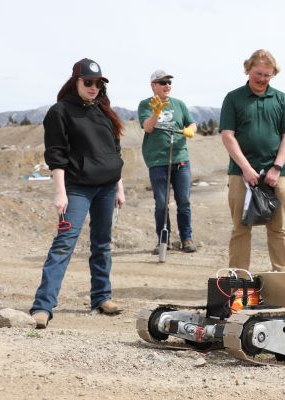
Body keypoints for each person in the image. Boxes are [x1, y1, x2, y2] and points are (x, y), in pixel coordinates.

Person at [30, 58, 126, 328]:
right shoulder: (60, 112)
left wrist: (119, 187)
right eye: (88, 82)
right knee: (64, 244)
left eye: (97, 83)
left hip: (107, 187)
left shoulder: (103, 111)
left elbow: (114, 151)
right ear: (76, 82)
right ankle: (43, 306)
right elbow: (56, 156)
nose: (93, 87)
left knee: (102, 243)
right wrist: (60, 193)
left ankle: (101, 297)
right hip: (77, 189)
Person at [220, 49, 285, 272]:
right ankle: (239, 278)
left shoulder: (281, 99)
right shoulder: (233, 98)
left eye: (267, 75)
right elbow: (227, 135)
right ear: (248, 70)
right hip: (240, 173)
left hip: (275, 173)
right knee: (241, 228)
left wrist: (277, 167)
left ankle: (283, 275)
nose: (262, 79)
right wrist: (246, 168)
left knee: (278, 227)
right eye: (258, 74)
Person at [138, 70, 197, 254]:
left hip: (180, 159)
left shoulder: (179, 104)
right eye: (162, 82)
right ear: (153, 86)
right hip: (157, 161)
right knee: (162, 204)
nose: (167, 85)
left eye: (169, 82)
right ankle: (164, 240)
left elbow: (192, 123)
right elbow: (148, 128)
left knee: (184, 201)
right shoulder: (145, 104)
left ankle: (186, 239)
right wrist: (156, 112)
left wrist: (190, 130)